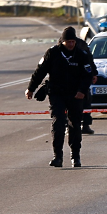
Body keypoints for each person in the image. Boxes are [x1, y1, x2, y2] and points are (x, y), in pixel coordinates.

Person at [26, 26, 93, 168]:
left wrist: (82, 91)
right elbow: (40, 71)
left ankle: (75, 156)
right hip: (57, 94)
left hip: (76, 95)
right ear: (62, 41)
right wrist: (31, 89)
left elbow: (88, 75)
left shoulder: (81, 55)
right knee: (58, 123)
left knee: (75, 124)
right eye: (68, 41)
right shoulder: (53, 53)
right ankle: (58, 156)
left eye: (73, 41)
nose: (71, 44)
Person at [77, 37, 98, 135]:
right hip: (67, 82)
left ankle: (85, 125)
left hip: (82, 79)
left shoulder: (82, 45)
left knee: (86, 103)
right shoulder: (59, 48)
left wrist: (94, 73)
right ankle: (68, 126)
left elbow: (89, 60)